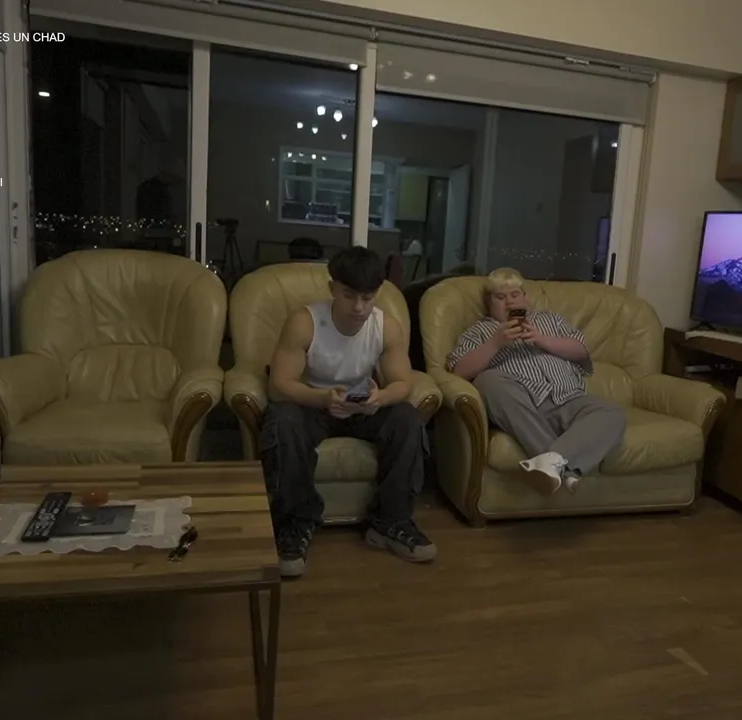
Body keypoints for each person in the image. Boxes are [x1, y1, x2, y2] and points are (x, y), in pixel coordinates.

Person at [260, 246, 436, 578]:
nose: (358, 307)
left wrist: (379, 398)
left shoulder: (387, 326)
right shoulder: (304, 322)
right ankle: (295, 524)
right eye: (349, 295)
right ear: (333, 289)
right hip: (314, 403)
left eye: (367, 298)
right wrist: (323, 398)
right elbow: (278, 385)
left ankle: (391, 521)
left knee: (407, 418)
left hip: (362, 405)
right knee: (282, 419)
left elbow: (402, 383)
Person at [447, 268, 626, 494]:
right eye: (500, 297)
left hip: (570, 399)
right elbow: (459, 370)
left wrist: (542, 340)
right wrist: (495, 344)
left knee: (613, 413)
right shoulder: (480, 331)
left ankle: (552, 464)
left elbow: (581, 349)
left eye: (515, 294)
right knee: (488, 381)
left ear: (526, 298)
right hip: (524, 407)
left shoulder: (550, 320)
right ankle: (565, 468)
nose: (509, 302)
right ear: (489, 303)